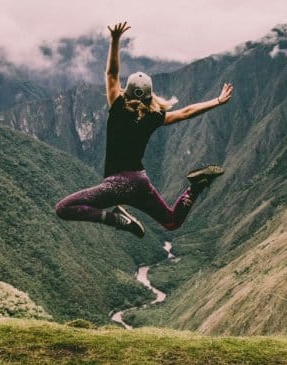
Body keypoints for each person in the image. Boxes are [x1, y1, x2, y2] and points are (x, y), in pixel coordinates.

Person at [55, 21, 233, 238]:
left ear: (126, 91)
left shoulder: (118, 106)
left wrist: (115, 40)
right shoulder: (154, 116)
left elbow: (111, 73)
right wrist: (217, 100)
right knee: (171, 221)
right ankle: (195, 186)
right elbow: (186, 112)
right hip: (140, 182)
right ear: (150, 95)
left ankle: (117, 219)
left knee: (63, 208)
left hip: (116, 185)